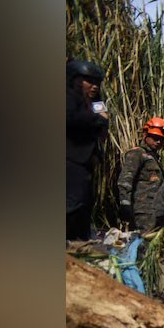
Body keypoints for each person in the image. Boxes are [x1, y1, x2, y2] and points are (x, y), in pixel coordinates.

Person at [66, 59, 110, 240]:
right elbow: (71, 119)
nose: (94, 87)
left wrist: (100, 119)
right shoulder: (68, 97)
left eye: (97, 83)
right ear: (74, 79)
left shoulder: (94, 102)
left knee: (83, 204)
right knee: (71, 205)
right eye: (89, 81)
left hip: (85, 163)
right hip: (69, 160)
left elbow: (104, 118)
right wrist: (96, 119)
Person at [116, 117, 164, 231]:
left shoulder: (155, 159)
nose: (158, 141)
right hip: (142, 211)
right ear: (146, 135)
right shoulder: (137, 153)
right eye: (155, 138)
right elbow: (125, 179)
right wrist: (125, 203)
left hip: (156, 210)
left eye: (162, 139)